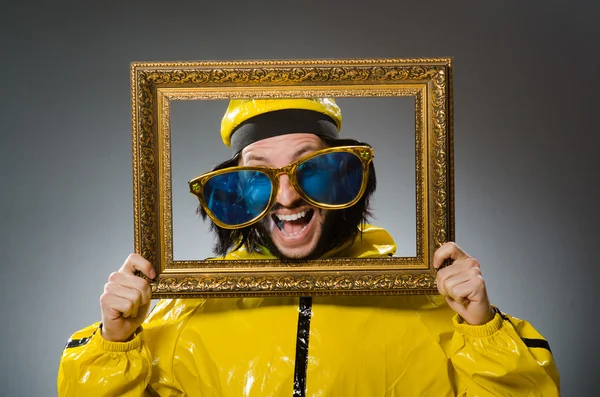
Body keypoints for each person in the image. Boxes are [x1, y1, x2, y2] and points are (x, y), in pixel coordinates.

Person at [57, 98, 560, 396]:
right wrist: (116, 343)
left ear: (346, 178)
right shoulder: (183, 313)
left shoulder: (429, 305)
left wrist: (482, 328)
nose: (288, 196)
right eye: (258, 175)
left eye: (310, 169)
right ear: (235, 191)